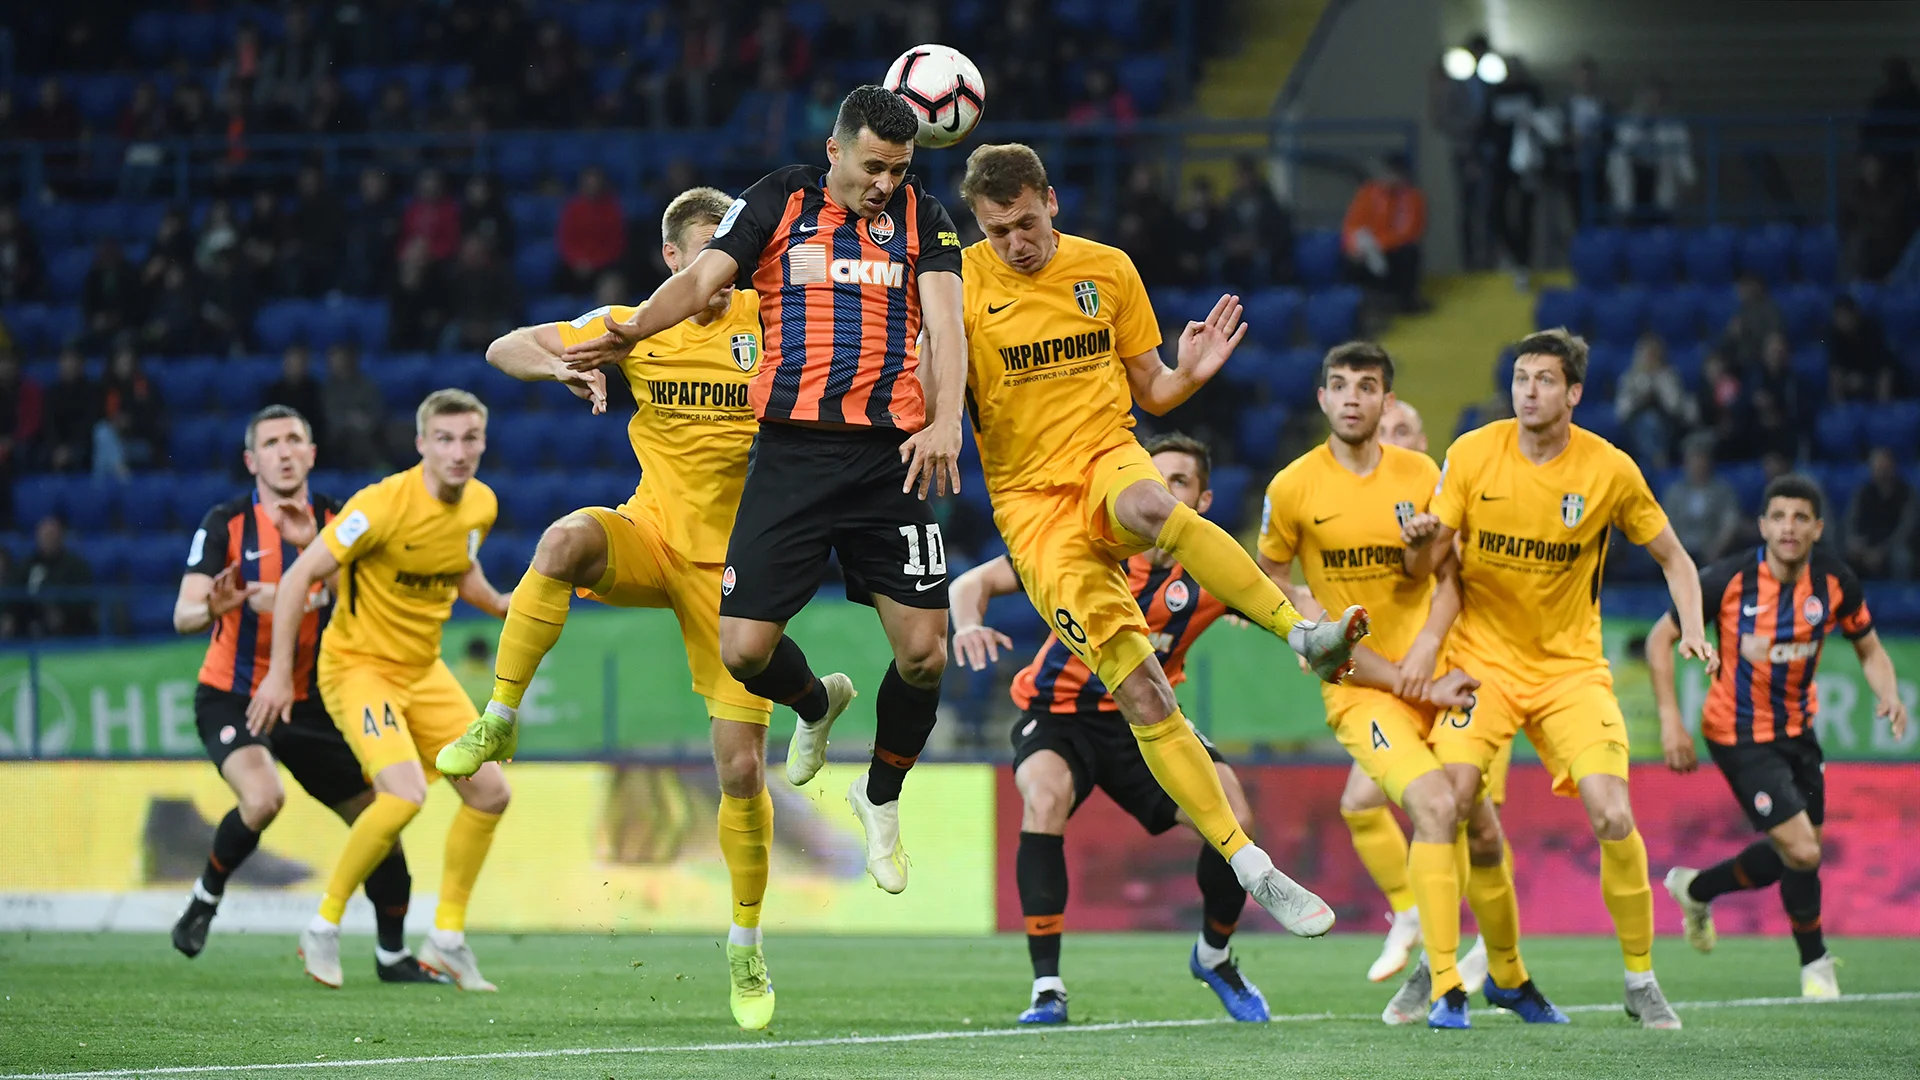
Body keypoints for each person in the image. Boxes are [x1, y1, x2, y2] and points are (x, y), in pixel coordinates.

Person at [952, 142, 1369, 951]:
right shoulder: (959, 284)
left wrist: (1190, 375)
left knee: (1155, 503)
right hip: (1033, 510)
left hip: (1106, 457)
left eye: (1027, 223)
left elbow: (1153, 390)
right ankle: (1251, 864)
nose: (1015, 244)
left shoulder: (1107, 269)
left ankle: (1302, 635)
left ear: (1051, 201)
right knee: (1143, 692)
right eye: (997, 231)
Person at [556, 87, 965, 894]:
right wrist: (632, 328)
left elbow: (946, 325)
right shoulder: (779, 198)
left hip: (887, 458)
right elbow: (702, 277)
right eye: (873, 167)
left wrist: (947, 419)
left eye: (899, 169)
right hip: (791, 455)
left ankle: (880, 795)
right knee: (744, 652)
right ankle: (814, 702)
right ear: (835, 151)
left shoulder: (927, 216)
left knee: (924, 655)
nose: (885, 184)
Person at [437, 188, 784, 1030]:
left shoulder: (770, 321)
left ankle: (745, 945)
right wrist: (558, 366)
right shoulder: (634, 327)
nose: (721, 274)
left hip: (736, 570)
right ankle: (500, 718)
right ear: (673, 260)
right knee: (561, 542)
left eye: (732, 258)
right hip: (651, 535)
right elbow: (505, 346)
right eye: (707, 257)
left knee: (741, 771)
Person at [1400, 327, 1716, 1029]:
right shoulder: (1473, 452)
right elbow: (1428, 568)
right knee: (1448, 803)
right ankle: (1442, 969)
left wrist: (1692, 627)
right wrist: (1417, 549)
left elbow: (1675, 558)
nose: (1529, 391)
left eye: (1545, 380)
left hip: (1571, 671)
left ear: (1574, 393)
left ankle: (1640, 980)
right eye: (1521, 378)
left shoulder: (1609, 470)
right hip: (1480, 664)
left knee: (1613, 815)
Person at [1260, 343, 1547, 1029]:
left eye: (1367, 387)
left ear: (1385, 401)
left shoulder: (1422, 474)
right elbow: (1269, 576)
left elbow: (1447, 576)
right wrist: (1306, 622)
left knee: (1481, 830)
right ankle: (1446, 983)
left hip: (1445, 675)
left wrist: (1425, 630)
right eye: (1339, 385)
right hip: (1364, 689)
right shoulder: (1292, 487)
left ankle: (1503, 973)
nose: (1352, 397)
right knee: (1435, 808)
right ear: (1322, 399)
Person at [950, 435, 1268, 1023]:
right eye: (1155, 478)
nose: (1162, 492)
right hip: (1058, 716)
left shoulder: (1214, 572)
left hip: (1147, 724)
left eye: (1179, 482)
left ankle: (1214, 956)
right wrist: (967, 625)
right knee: (1044, 799)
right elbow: (971, 584)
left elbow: (1288, 597)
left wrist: (1312, 637)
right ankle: (1047, 987)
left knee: (1236, 820)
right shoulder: (1093, 541)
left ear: (1202, 501)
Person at [246, 391, 513, 991]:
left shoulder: (481, 505)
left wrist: (498, 602)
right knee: (404, 794)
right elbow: (298, 577)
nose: (458, 451)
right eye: (444, 439)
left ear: (482, 443)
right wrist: (279, 673)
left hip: (423, 670)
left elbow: (460, 566)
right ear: (421, 445)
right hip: (358, 667)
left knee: (491, 793)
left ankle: (447, 941)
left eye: (469, 438)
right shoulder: (380, 505)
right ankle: (323, 925)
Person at [166, 405, 442, 984]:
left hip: (312, 702)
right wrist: (215, 605)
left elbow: (365, 601)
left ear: (312, 454)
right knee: (264, 798)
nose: (284, 451)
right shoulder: (226, 524)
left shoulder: (341, 520)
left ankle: (392, 955)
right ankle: (206, 897)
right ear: (252, 461)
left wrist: (318, 564)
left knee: (380, 820)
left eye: (294, 439)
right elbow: (183, 614)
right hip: (234, 695)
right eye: (270, 443)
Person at [1650, 475, 1908, 998]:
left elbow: (1869, 647)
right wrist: (1670, 719)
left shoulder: (1835, 582)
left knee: (1801, 850)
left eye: (1800, 518)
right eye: (1779, 517)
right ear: (1763, 525)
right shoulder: (1727, 580)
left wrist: (1889, 692)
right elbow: (1660, 638)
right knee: (1803, 851)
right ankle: (1816, 966)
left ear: (1818, 528)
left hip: (1799, 732)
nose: (1789, 527)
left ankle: (1696, 888)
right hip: (1738, 733)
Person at [1341, 153, 1426, 311]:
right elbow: (1352, 224)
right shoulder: (1368, 193)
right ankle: (1360, 304)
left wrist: (1378, 245)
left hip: (1391, 249)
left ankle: (1405, 301)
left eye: (1394, 174)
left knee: (1409, 252)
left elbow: (1407, 232)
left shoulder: (1412, 198)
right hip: (1368, 248)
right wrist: (1356, 248)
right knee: (1349, 258)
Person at [1613, 336, 1694, 469]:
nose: (1650, 359)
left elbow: (1675, 406)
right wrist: (1640, 399)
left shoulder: (1668, 376)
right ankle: (1657, 460)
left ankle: (1659, 461)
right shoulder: (1629, 378)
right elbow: (1621, 412)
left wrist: (1658, 388)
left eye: (1654, 355)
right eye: (1647, 355)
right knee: (1648, 422)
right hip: (1636, 428)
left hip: (1668, 425)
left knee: (1654, 422)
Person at [1663, 436, 1745, 565]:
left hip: (1712, 552)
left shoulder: (1722, 490)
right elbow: (1668, 524)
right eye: (1694, 460)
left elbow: (1730, 523)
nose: (1699, 464)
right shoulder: (1675, 492)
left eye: (1702, 459)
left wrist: (1716, 550)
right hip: (1682, 551)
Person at [10, 515, 94, 637]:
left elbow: (85, 596)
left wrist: (63, 613)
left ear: (61, 537)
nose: (48, 539)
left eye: (52, 535)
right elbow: (13, 593)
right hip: (31, 624)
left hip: (71, 627)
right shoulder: (27, 565)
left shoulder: (76, 566)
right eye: (45, 536)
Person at [1845, 447, 1917, 580]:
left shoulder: (1907, 493)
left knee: (1902, 559)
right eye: (1877, 466)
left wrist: (1883, 551)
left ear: (1893, 467)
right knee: (1844, 555)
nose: (1881, 470)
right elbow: (1852, 522)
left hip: (1893, 545)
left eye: (1884, 466)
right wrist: (1856, 543)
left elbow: (1905, 530)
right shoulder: (1863, 493)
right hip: (1867, 544)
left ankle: (1901, 592)